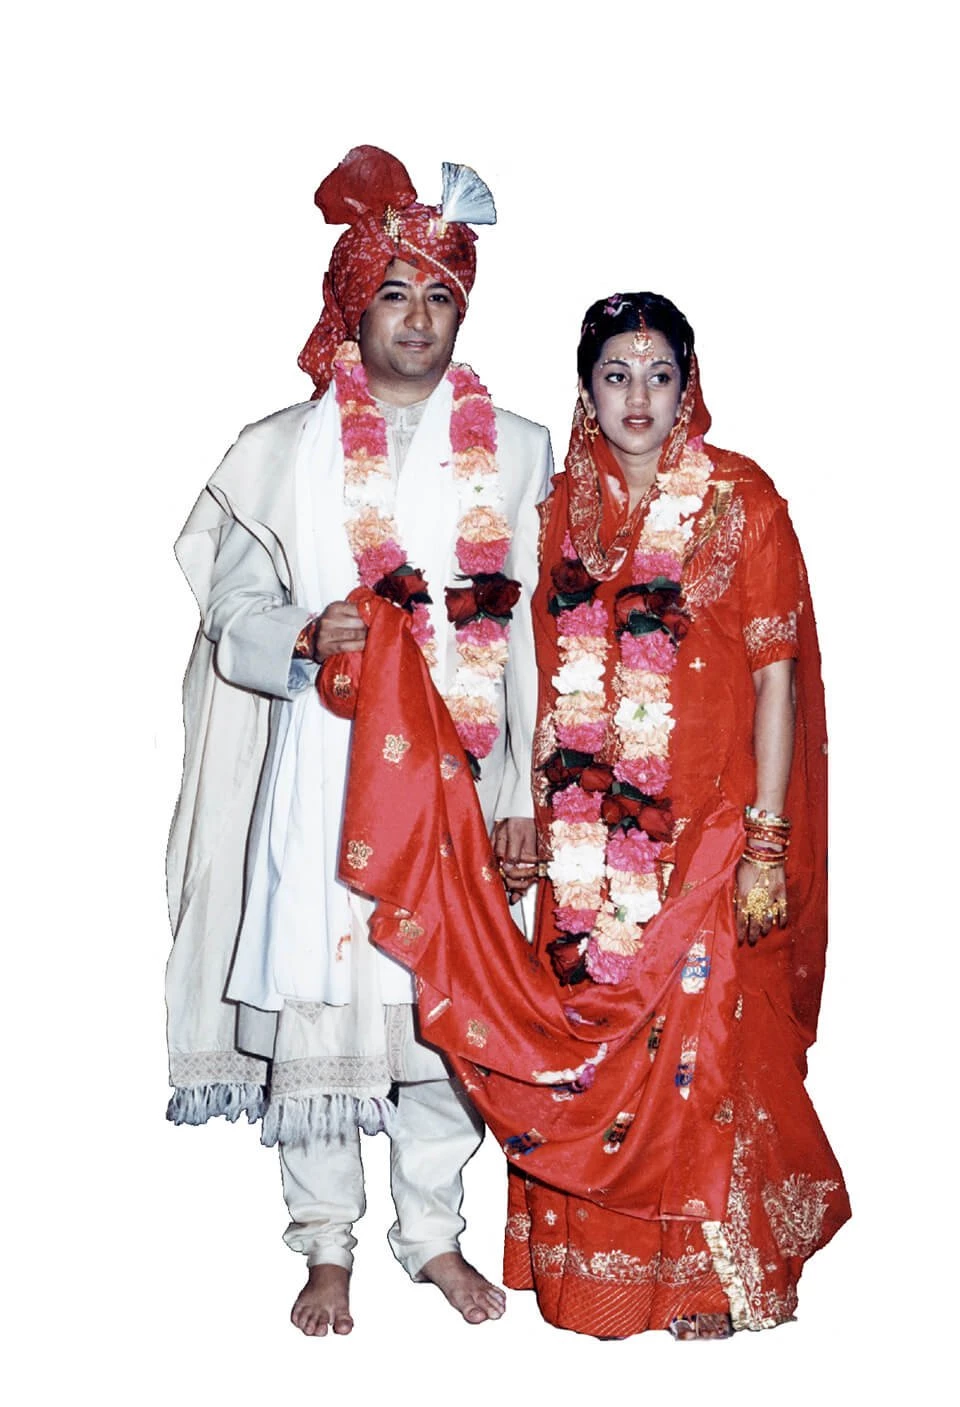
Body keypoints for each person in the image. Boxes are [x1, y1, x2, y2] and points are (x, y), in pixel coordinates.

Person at [331, 290, 848, 1341]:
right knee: (592, 1051)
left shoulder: (743, 501)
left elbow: (777, 675)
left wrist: (764, 840)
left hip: (706, 832)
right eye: (617, 375)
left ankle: (715, 1283)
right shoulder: (561, 508)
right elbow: (531, 667)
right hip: (585, 847)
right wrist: (530, 811)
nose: (639, 397)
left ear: (688, 384)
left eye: (660, 375)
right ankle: (604, 1271)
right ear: (587, 389)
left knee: (707, 1047)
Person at [164, 146, 552, 1337]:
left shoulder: (523, 449)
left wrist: (522, 788)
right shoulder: (282, 449)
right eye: (396, 292)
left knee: (450, 993)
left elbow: (535, 635)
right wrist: (301, 628)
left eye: (442, 295)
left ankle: (432, 1233)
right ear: (353, 303)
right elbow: (226, 613)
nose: (420, 320)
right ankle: (323, 1241)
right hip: (327, 774)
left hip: (462, 773)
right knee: (325, 989)